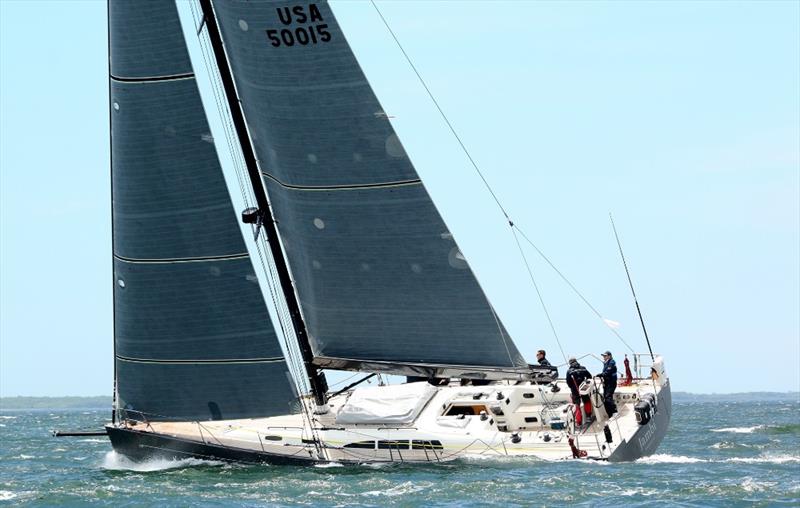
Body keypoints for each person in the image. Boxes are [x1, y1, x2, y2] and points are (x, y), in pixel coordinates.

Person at [566, 357, 593, 427]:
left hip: (575, 390)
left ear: (570, 363)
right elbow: (589, 377)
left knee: (577, 405)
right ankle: (588, 417)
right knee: (587, 401)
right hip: (584, 388)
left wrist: (572, 388)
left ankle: (579, 422)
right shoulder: (583, 368)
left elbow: (568, 382)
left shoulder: (569, 371)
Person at [597, 351, 618, 416]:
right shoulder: (606, 363)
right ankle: (610, 414)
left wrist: (601, 374)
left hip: (611, 383)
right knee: (605, 399)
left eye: (605, 356)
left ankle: (614, 411)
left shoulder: (611, 362)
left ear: (609, 356)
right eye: (603, 356)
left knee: (608, 397)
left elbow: (608, 372)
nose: (604, 357)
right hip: (606, 383)